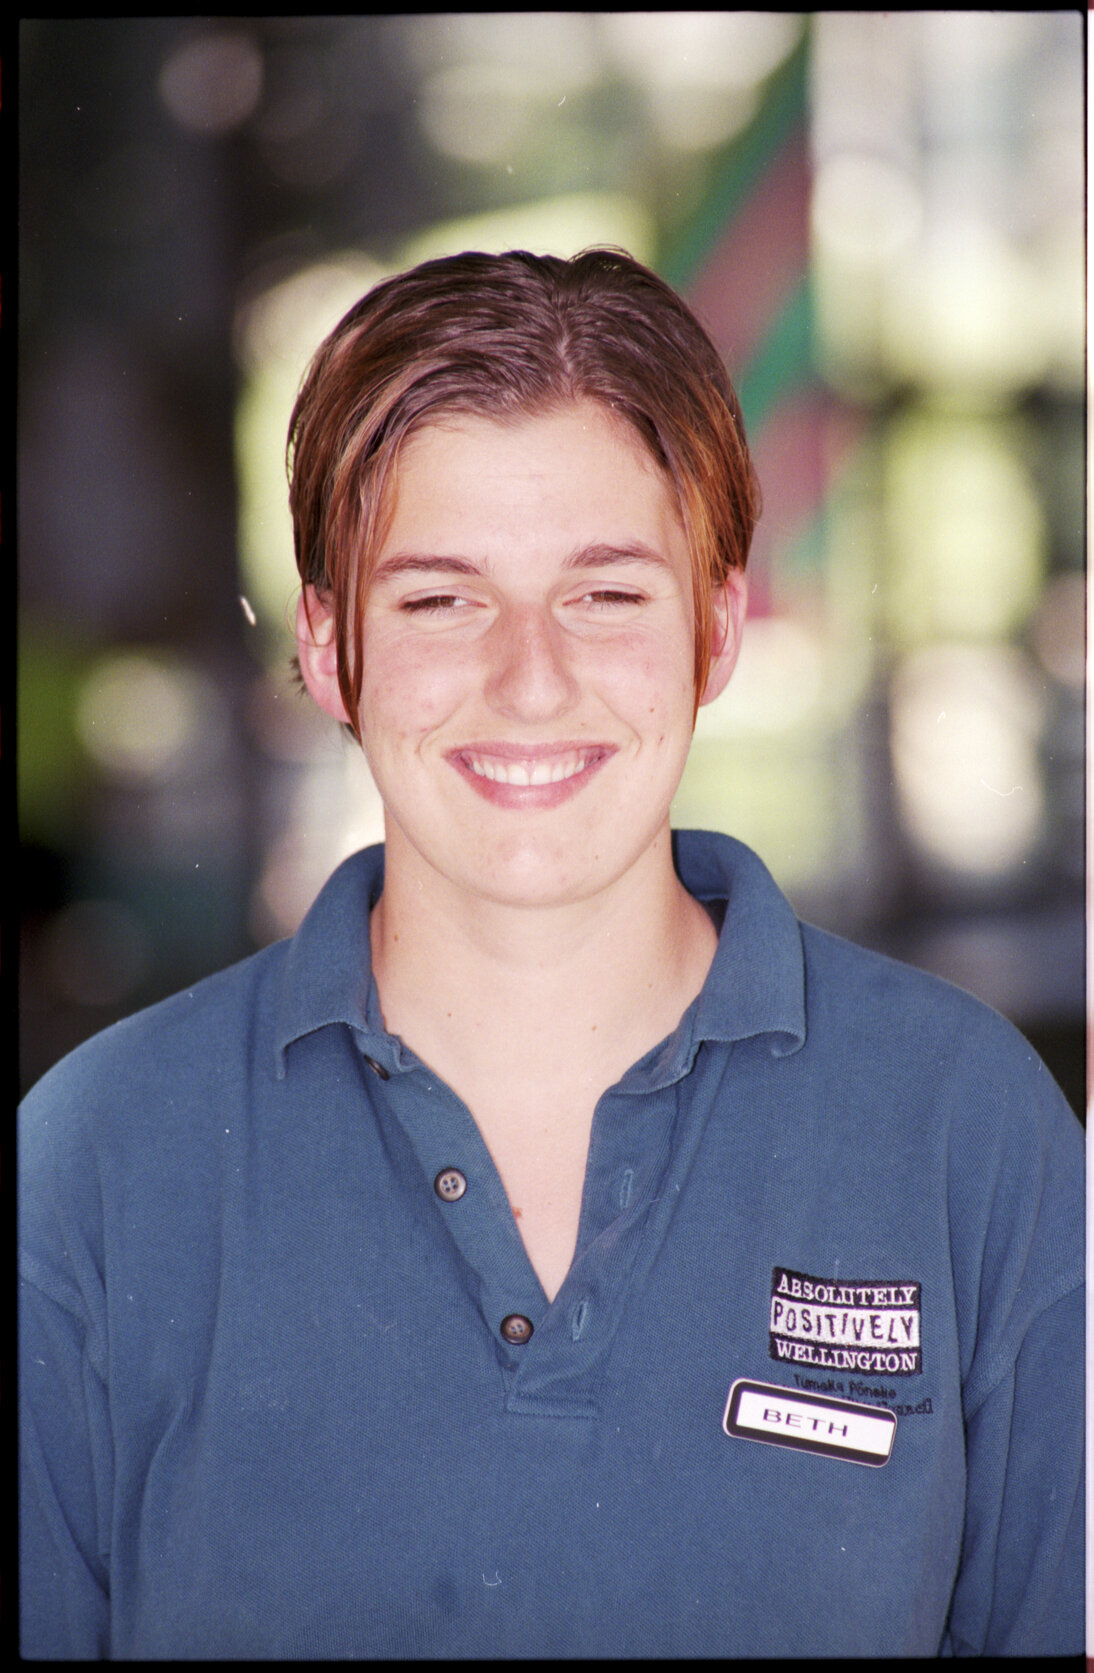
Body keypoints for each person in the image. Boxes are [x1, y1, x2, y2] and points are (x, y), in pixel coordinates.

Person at [19, 248, 1083, 1660]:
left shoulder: (964, 1125)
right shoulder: (93, 1161)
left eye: (604, 594)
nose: (529, 679)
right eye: (440, 599)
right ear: (331, 650)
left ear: (713, 625)